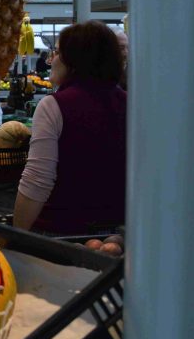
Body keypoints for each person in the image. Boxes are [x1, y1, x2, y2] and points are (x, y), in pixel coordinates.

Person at [14, 21, 127, 234]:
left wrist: (16, 235)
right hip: (117, 234)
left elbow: (37, 181)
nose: (51, 59)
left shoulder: (54, 105)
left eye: (57, 52)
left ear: (73, 61)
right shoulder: (132, 104)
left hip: (61, 233)